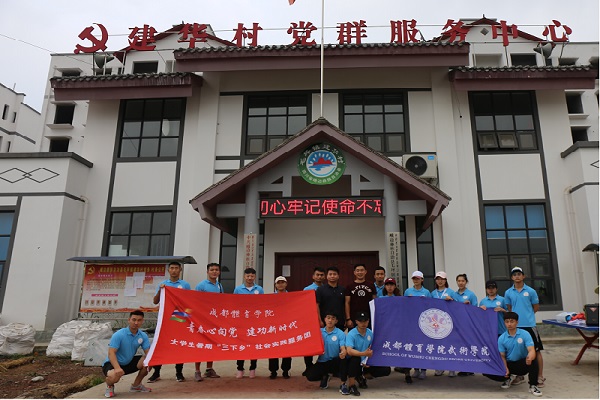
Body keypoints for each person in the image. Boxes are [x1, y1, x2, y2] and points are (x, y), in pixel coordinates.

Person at [148, 262, 190, 383]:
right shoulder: (163, 284)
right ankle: (156, 372)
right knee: (161, 345)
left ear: (180, 270)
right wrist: (161, 291)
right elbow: (155, 301)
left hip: (179, 319)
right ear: (168, 270)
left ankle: (179, 372)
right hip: (165, 320)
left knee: (179, 345)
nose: (174, 270)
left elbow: (189, 302)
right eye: (172, 268)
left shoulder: (185, 285)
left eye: (176, 268)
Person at [482, 312, 542, 397]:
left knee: (534, 361)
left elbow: (531, 350)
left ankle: (533, 385)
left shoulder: (525, 334)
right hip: (509, 364)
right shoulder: (501, 338)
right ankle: (509, 377)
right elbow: (502, 356)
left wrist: (530, 357)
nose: (509, 324)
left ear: (517, 322)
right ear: (504, 323)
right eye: (507, 322)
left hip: (522, 363)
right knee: (487, 371)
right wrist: (505, 368)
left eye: (512, 321)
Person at [504, 266, 545, 388]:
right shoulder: (508, 292)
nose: (517, 276)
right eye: (514, 274)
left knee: (536, 351)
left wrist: (527, 317)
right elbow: (510, 308)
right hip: (516, 326)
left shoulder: (531, 291)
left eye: (519, 274)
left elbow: (535, 307)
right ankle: (519, 375)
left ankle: (539, 376)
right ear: (512, 277)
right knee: (518, 351)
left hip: (529, 326)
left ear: (523, 276)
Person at [340, 311, 391, 396]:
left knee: (386, 370)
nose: (363, 323)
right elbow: (349, 350)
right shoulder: (352, 334)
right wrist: (363, 354)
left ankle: (363, 376)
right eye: (360, 321)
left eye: (365, 321)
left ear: (368, 321)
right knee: (355, 359)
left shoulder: (370, 333)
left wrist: (369, 360)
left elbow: (373, 348)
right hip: (354, 362)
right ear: (356, 322)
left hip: (366, 362)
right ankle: (351, 385)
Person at [102, 310, 151, 398]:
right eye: (134, 319)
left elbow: (148, 352)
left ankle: (136, 386)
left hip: (128, 362)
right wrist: (117, 368)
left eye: (139, 320)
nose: (136, 323)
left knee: (149, 361)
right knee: (113, 376)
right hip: (113, 363)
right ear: (129, 320)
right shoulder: (119, 334)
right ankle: (110, 386)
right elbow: (111, 353)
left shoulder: (143, 335)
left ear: (142, 321)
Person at [193, 262, 224, 381]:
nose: (214, 272)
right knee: (200, 346)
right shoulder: (201, 285)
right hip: (202, 320)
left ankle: (209, 369)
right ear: (207, 272)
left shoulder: (220, 286)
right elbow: (195, 302)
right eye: (212, 270)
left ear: (219, 272)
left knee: (211, 344)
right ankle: (197, 371)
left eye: (216, 270)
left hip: (214, 320)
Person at [233, 267, 264, 378]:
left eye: (252, 276)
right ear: (244, 277)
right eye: (248, 276)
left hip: (254, 322)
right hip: (241, 321)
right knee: (241, 345)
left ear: (255, 277)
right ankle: (240, 368)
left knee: (253, 346)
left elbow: (262, 304)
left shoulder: (259, 289)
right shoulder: (238, 289)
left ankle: (252, 368)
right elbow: (234, 305)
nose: (250, 278)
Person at [305, 311, 347, 389]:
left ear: (336, 321)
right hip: (322, 361)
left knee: (343, 361)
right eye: (328, 318)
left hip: (335, 361)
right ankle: (326, 376)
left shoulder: (340, 333)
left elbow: (343, 347)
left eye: (333, 318)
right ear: (324, 319)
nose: (330, 320)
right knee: (310, 376)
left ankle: (341, 382)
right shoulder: (319, 332)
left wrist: (343, 352)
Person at [403, 270, 431, 380]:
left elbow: (430, 306)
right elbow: (404, 306)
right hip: (411, 322)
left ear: (422, 280)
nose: (416, 280)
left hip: (424, 322)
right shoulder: (408, 291)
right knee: (414, 346)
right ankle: (416, 369)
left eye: (418, 278)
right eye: (414, 278)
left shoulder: (427, 292)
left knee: (422, 346)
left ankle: (423, 369)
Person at [430, 271, 457, 377]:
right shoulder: (432, 293)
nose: (440, 281)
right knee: (437, 345)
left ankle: (452, 367)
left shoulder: (451, 292)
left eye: (442, 279)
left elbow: (457, 306)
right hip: (435, 324)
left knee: (449, 345)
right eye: (438, 279)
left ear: (445, 280)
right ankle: (439, 367)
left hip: (448, 323)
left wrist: (452, 300)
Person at [303, 266, 326, 375]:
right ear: (313, 276)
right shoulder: (307, 289)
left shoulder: (327, 288)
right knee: (309, 345)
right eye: (317, 275)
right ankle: (308, 367)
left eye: (321, 275)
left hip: (325, 320)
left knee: (326, 343)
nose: (319, 277)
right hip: (310, 321)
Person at [269, 276, 292, 379]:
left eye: (283, 282)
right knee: (274, 349)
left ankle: (286, 370)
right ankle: (273, 371)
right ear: (275, 285)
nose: (281, 285)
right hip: (274, 327)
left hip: (287, 327)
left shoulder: (292, 296)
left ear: (286, 284)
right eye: (278, 283)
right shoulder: (271, 297)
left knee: (287, 349)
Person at [344, 264, 377, 330]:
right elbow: (347, 303)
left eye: (362, 270)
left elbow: (375, 301)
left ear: (365, 272)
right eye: (357, 270)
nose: (360, 272)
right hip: (354, 317)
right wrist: (348, 319)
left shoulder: (371, 285)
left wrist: (375, 317)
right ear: (354, 272)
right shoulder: (349, 286)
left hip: (368, 317)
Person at [316, 266, 346, 331]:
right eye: (330, 274)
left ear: (338, 276)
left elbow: (345, 305)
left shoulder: (343, 289)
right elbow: (317, 305)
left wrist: (346, 319)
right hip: (325, 322)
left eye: (334, 274)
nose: (332, 276)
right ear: (327, 276)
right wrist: (319, 320)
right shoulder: (320, 289)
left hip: (339, 321)